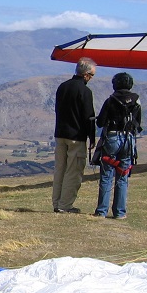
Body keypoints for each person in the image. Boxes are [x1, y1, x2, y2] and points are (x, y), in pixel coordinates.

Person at [92, 72, 142, 220]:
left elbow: (100, 122)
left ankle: (101, 212)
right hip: (129, 140)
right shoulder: (137, 100)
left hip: (112, 138)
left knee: (107, 175)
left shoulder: (110, 100)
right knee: (122, 176)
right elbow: (138, 123)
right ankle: (120, 213)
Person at [52, 57, 97, 213]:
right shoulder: (85, 91)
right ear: (85, 74)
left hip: (60, 134)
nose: (91, 79)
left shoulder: (62, 87)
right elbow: (89, 117)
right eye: (91, 76)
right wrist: (92, 137)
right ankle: (65, 205)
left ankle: (57, 203)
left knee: (60, 169)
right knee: (73, 171)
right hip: (76, 136)